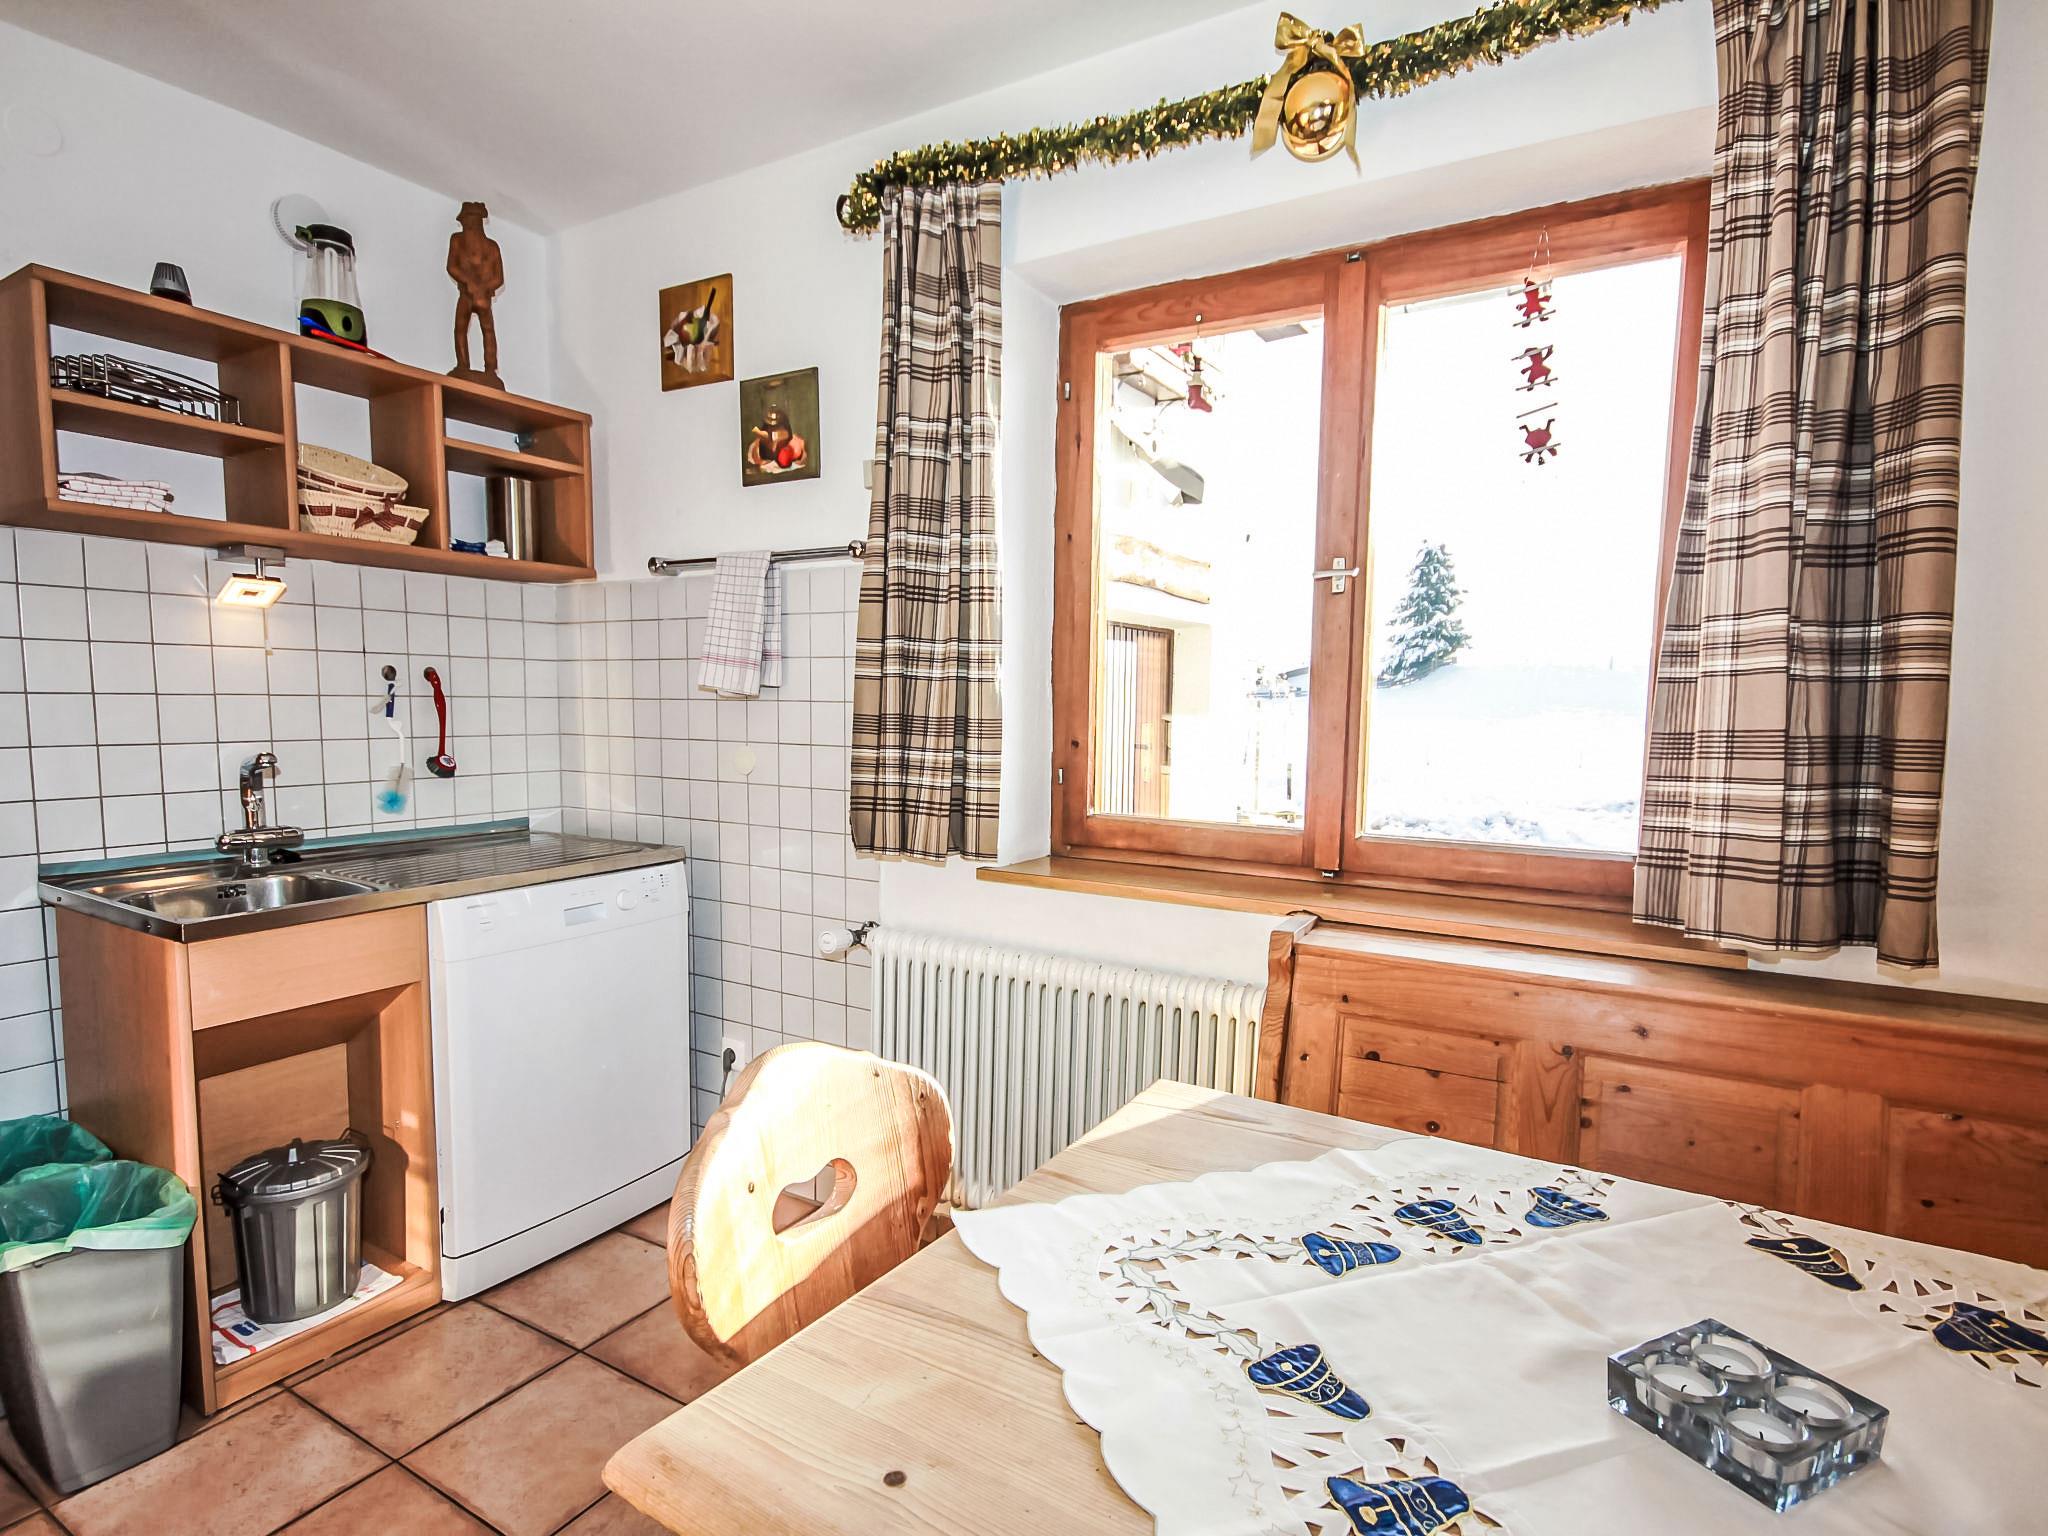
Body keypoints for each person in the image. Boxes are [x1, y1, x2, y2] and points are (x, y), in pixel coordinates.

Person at [448, 201, 505, 386]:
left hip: (480, 295)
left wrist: (481, 288)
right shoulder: (458, 240)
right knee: (463, 329)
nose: (466, 225)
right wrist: (470, 282)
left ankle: (490, 368)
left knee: (486, 330)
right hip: (468, 293)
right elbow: (452, 267)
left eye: (468, 221)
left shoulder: (491, 246)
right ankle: (463, 365)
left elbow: (499, 278)